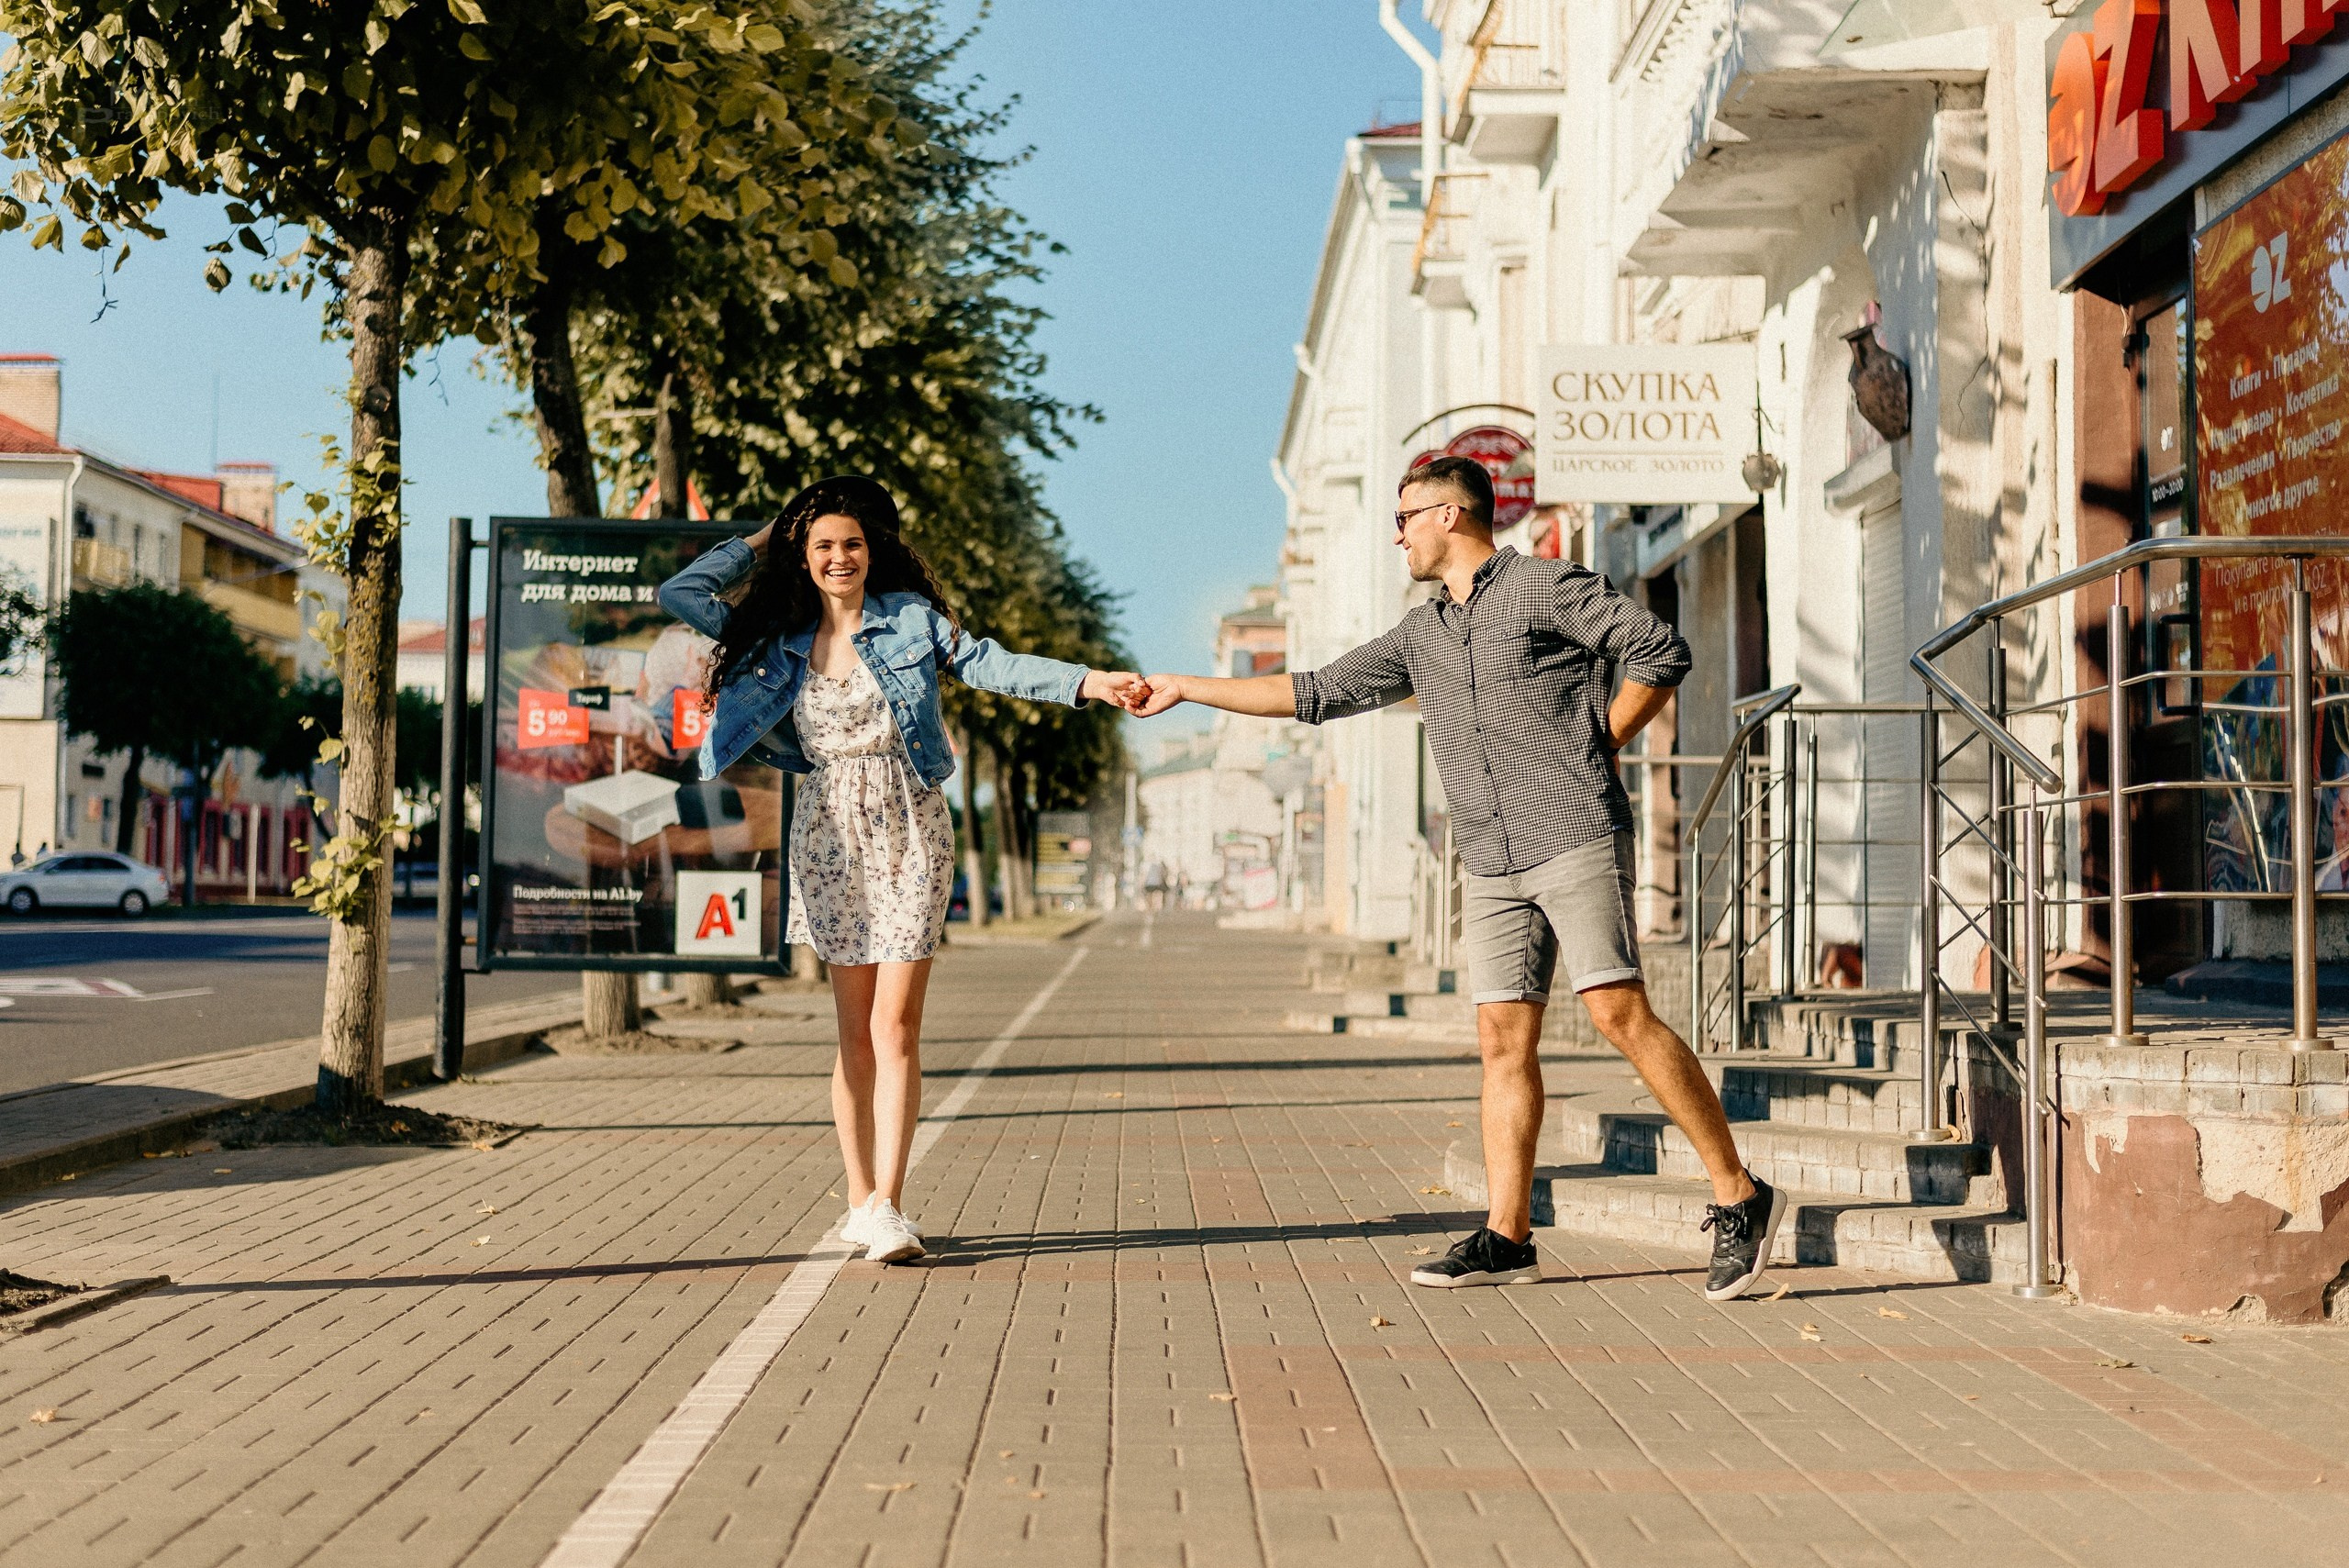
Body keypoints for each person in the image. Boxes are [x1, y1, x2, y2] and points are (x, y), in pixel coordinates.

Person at [1131, 455, 1786, 1300]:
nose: (1397, 535)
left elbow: (1660, 651)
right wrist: (1185, 689)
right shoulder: (1423, 631)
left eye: (1404, 518)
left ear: (1448, 515)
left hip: (1573, 831)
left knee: (1618, 1012)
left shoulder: (1545, 586)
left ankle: (1741, 1195)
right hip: (1490, 856)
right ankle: (1508, 1235)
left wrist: (1600, 746)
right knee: (1500, 1042)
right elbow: (1318, 691)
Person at [660, 476, 1145, 1262]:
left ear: (872, 549)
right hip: (828, 832)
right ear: (804, 555)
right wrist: (765, 533)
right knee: (853, 1034)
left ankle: (888, 1201)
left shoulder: (911, 622)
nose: (839, 556)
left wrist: (1089, 682)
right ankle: (859, 1201)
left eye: (851, 542)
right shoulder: (776, 633)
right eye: (821, 545)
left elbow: (993, 664)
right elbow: (681, 591)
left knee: (896, 1026)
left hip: (910, 825)